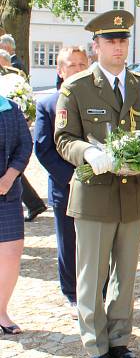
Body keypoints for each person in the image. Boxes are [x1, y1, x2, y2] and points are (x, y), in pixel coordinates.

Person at [55, 10, 140, 358]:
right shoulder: (76, 87)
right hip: (94, 194)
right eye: (110, 41)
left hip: (135, 194)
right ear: (95, 46)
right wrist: (89, 153)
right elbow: (64, 139)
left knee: (126, 275)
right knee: (91, 275)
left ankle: (119, 340)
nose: (118, 46)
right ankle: (96, 345)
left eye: (123, 40)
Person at [33, 46, 89, 318]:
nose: (77, 69)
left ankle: (95, 290)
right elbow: (43, 150)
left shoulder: (94, 100)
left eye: (82, 64)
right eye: (72, 65)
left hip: (96, 186)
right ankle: (72, 292)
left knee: (93, 241)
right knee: (68, 240)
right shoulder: (48, 104)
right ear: (60, 70)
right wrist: (73, 178)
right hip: (65, 185)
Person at [0, 48, 46, 222]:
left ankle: (34, 204)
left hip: (7, 193)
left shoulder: (15, 75)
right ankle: (34, 203)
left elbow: (25, 145)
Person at [0, 92, 32, 336]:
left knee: (11, 252)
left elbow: (25, 144)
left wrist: (9, 177)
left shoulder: (9, 108)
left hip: (6, 192)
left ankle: (1, 311)